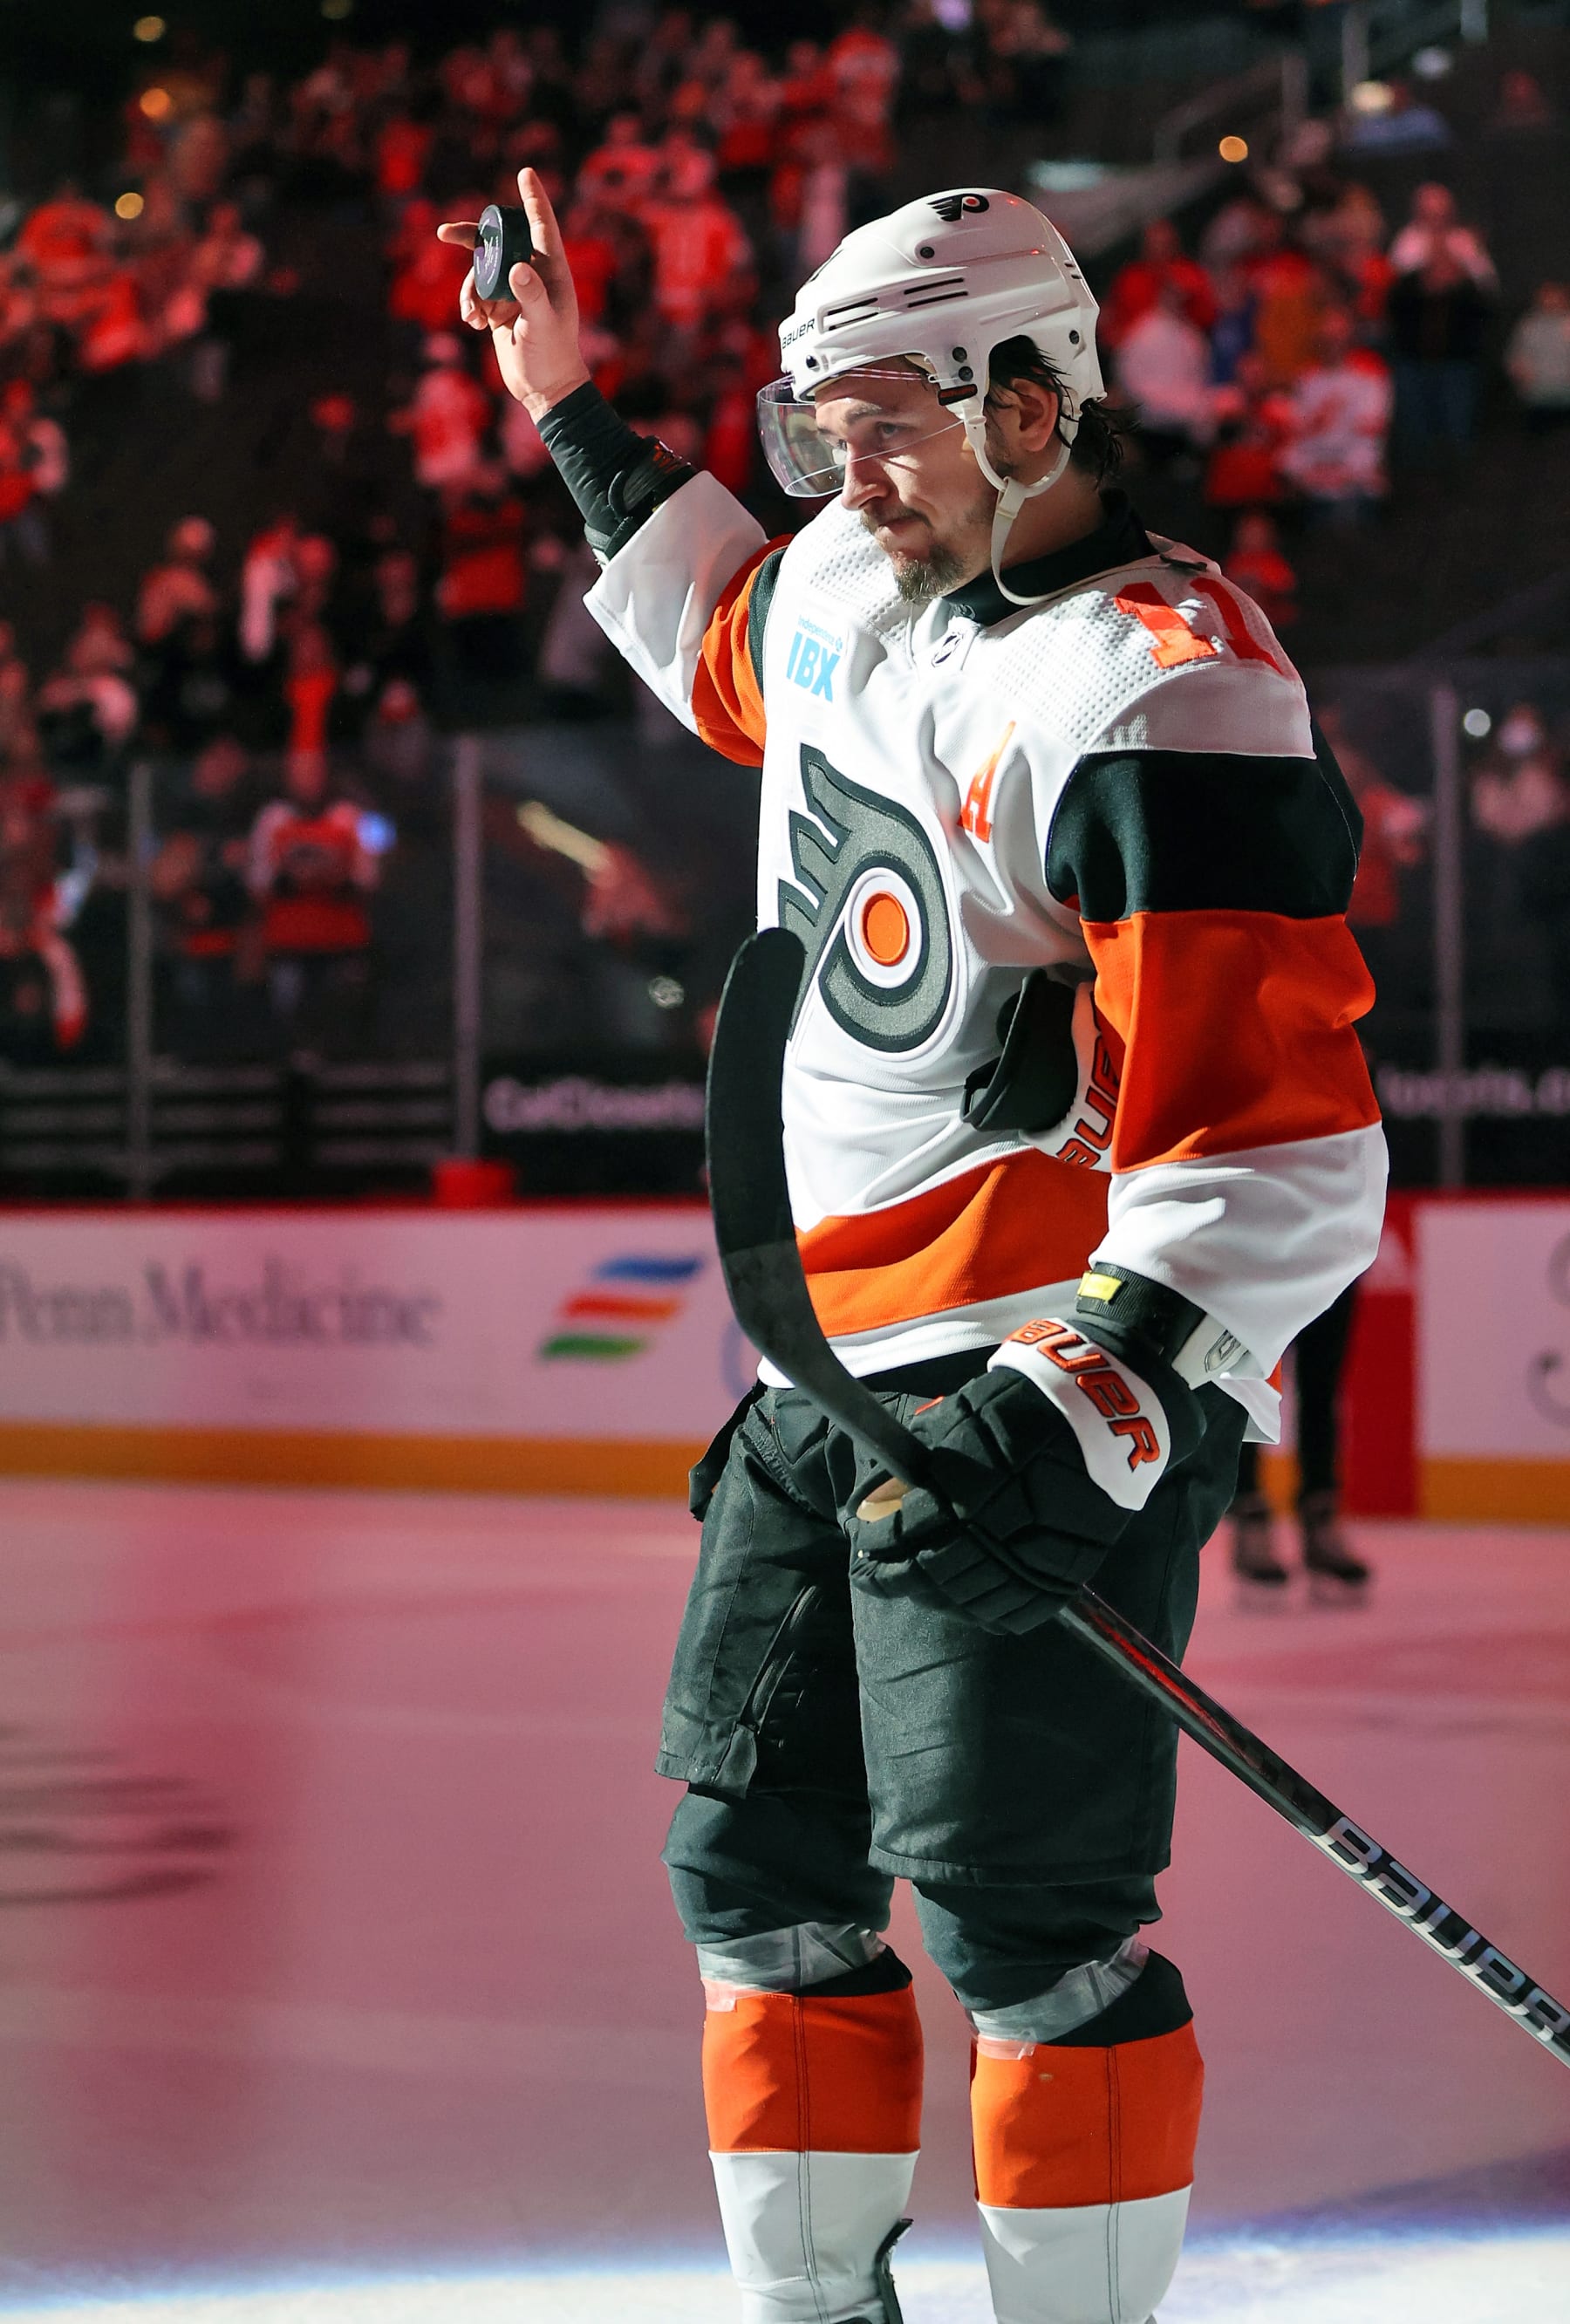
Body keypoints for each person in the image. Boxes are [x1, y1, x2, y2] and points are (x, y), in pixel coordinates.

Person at [440, 170, 1385, 2324]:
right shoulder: (857, 588)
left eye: (886, 420)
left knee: (1028, 1922)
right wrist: (567, 399)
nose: (842, 471)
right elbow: (713, 632)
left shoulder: (1168, 693)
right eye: (817, 426)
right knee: (757, 1877)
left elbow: (1284, 1130)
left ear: (1037, 405)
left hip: (1029, 1377)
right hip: (814, 1378)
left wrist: (1098, 1397)